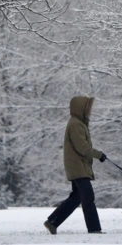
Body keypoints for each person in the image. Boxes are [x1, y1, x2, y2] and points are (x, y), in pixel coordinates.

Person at [44, 96, 107, 234]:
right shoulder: (76, 124)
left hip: (79, 166)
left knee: (77, 197)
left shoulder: (79, 123)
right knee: (88, 197)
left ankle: (53, 221)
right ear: (80, 108)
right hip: (78, 167)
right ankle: (94, 229)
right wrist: (99, 155)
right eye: (88, 107)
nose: (90, 110)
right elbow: (82, 148)